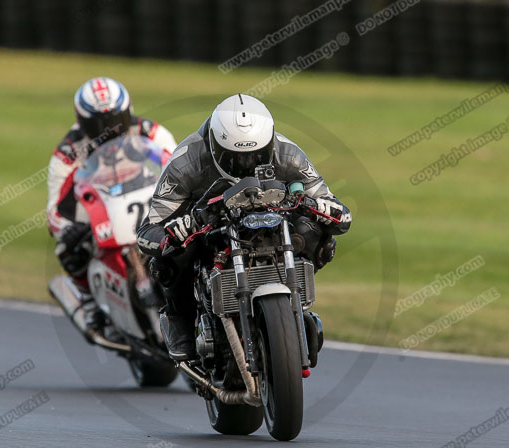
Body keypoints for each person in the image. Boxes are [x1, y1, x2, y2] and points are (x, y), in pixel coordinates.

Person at [137, 94, 351, 361]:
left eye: (257, 156)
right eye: (236, 158)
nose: (247, 165)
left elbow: (334, 208)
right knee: (170, 255)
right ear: (215, 146)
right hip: (208, 224)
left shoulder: (288, 154)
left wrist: (326, 210)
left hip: (271, 219)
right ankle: (179, 317)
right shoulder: (186, 161)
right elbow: (148, 233)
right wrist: (177, 230)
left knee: (317, 232)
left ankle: (296, 294)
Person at [46, 77, 177, 328]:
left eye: (116, 120)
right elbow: (54, 212)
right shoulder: (69, 152)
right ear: (83, 123)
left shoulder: (149, 131)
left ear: (128, 113)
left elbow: (176, 164)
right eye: (100, 124)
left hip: (149, 198)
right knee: (67, 249)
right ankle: (90, 302)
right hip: (99, 207)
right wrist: (68, 229)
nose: (111, 129)